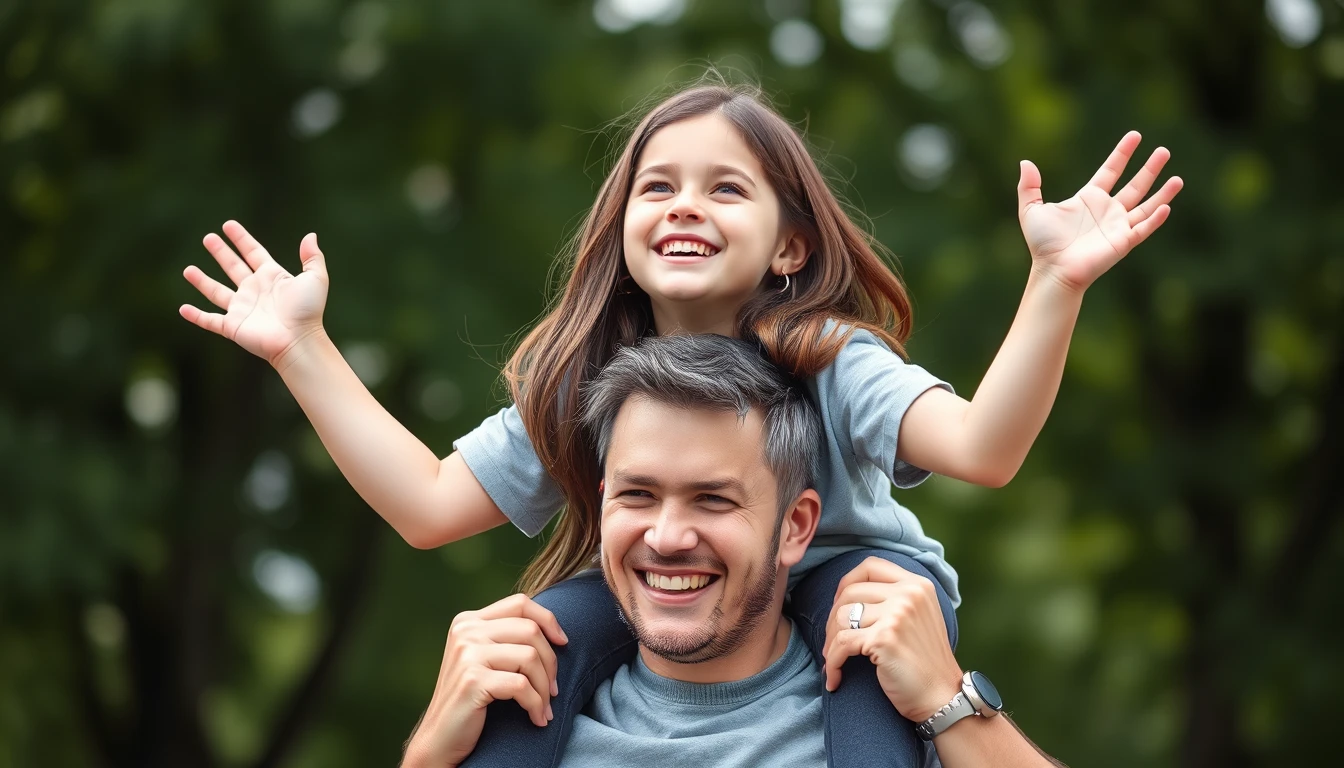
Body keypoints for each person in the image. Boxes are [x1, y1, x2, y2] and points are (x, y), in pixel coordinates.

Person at [177, 79, 1180, 764]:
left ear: (789, 245)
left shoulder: (826, 353)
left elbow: (982, 451)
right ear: (622, 228)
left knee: (870, 684)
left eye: (724, 188)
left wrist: (1055, 284)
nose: (683, 204)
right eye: (658, 185)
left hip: (853, 586)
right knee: (530, 662)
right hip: (665, 586)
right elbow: (431, 506)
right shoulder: (591, 378)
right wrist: (300, 350)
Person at [401, 334, 1064, 768]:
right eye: (637, 496)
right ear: (601, 505)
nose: (666, 537)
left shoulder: (897, 709)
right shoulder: (525, 710)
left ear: (797, 525)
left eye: (713, 501)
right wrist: (429, 754)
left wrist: (949, 704)